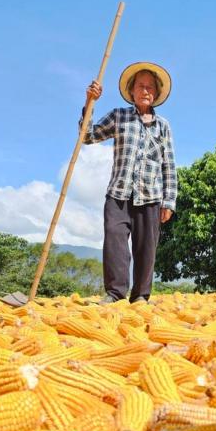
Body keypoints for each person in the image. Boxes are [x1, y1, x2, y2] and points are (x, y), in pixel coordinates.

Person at [81, 61, 177, 304]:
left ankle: (141, 295)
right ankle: (115, 292)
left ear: (155, 94)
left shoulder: (163, 126)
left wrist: (169, 201)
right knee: (114, 241)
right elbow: (88, 136)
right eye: (141, 86)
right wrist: (89, 103)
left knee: (146, 248)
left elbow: (169, 165)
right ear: (132, 91)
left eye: (150, 88)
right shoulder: (119, 116)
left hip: (151, 196)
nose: (145, 91)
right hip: (119, 193)